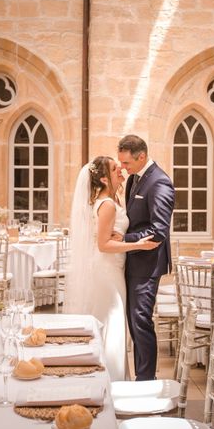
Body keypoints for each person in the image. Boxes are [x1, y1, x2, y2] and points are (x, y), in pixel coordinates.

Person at [65, 155, 159, 380]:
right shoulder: (106, 204)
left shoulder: (114, 199)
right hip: (106, 272)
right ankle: (110, 383)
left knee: (114, 327)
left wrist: (125, 236)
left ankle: (111, 380)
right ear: (104, 180)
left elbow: (110, 234)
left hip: (113, 270)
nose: (121, 171)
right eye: (115, 169)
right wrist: (136, 244)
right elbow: (103, 245)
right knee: (112, 325)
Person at [117, 134, 175, 381]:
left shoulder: (160, 182)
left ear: (141, 156)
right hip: (132, 261)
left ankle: (146, 380)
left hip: (146, 264)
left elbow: (159, 231)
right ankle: (142, 376)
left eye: (127, 163)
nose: (123, 168)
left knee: (141, 321)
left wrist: (123, 240)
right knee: (134, 321)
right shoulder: (134, 179)